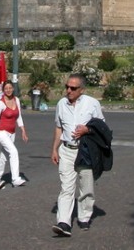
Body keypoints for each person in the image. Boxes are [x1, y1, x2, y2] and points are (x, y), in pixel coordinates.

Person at [51, 73, 105, 237]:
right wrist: (54, 148)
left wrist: (87, 130)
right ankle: (64, 222)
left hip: (85, 150)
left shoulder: (92, 104)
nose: (68, 90)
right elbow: (59, 127)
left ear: (81, 89)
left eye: (73, 88)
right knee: (66, 188)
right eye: (67, 87)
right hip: (66, 150)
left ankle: (84, 216)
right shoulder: (61, 104)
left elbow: (101, 127)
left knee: (86, 187)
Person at [0, 81, 28, 188]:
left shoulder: (16, 100)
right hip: (1, 132)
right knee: (13, 151)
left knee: (3, 157)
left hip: (12, 133)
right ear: (3, 90)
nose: (8, 90)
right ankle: (15, 179)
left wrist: (23, 131)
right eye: (6, 88)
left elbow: (19, 117)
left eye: (10, 88)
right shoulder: (1, 103)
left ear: (13, 88)